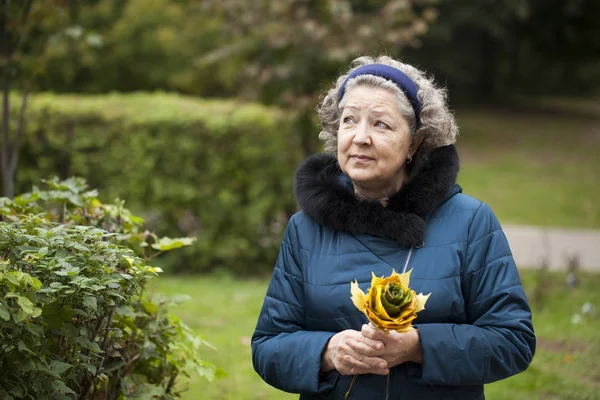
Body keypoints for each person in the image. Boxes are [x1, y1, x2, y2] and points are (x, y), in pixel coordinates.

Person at [251, 55, 535, 399]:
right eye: (349, 121)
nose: (360, 137)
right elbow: (267, 346)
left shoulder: (470, 221)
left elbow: (514, 340)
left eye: (380, 125)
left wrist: (419, 347)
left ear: (414, 142)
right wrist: (326, 352)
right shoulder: (305, 228)